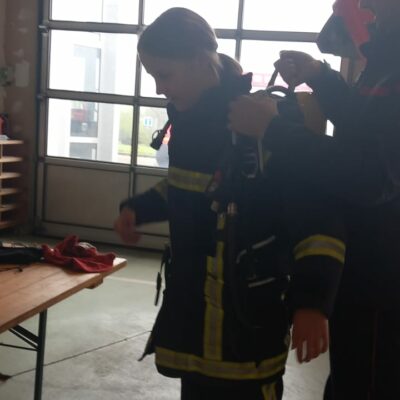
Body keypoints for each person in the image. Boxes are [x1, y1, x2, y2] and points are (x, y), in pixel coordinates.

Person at [114, 7, 345, 400]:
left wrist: (313, 303)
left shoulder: (259, 124)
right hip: (194, 323)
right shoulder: (190, 124)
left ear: (200, 62)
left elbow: (318, 218)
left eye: (164, 75)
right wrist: (138, 209)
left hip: (248, 329)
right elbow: (185, 187)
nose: (158, 89)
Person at [228, 0, 400, 398]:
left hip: (384, 280)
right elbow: (365, 128)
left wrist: (273, 130)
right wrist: (321, 77)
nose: (365, 6)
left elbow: (372, 176)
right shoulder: (387, 56)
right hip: (365, 265)